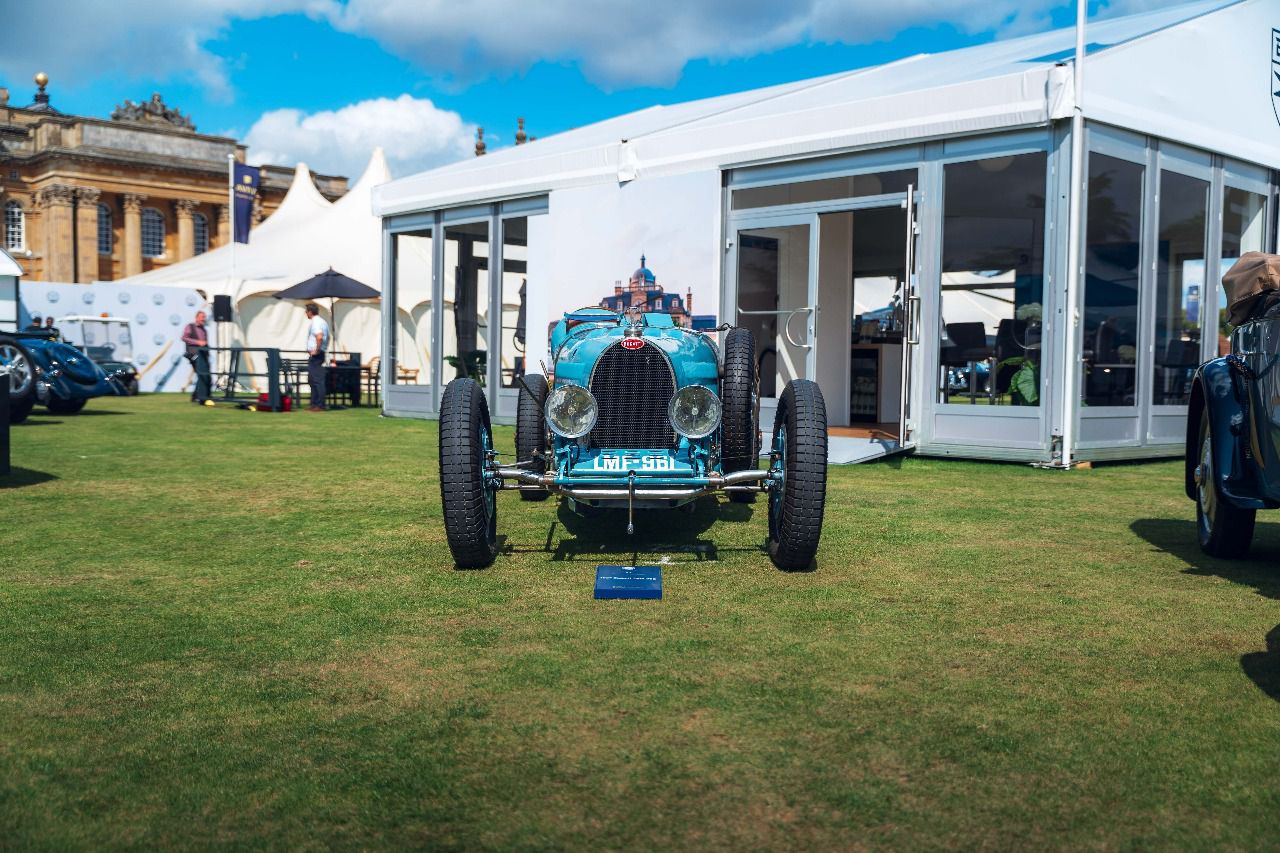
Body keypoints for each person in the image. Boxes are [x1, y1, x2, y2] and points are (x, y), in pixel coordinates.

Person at [181, 310, 213, 405]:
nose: (204, 318)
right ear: (197, 317)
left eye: (204, 317)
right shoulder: (190, 326)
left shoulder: (204, 330)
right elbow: (184, 338)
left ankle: (196, 396)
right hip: (193, 355)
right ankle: (201, 397)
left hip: (203, 355)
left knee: (203, 375)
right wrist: (198, 342)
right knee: (202, 374)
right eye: (202, 316)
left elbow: (205, 343)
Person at [303, 303, 330, 411]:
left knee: (317, 380)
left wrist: (317, 349)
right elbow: (328, 338)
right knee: (313, 379)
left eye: (306, 311)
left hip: (316, 355)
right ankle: (314, 403)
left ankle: (319, 404)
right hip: (319, 353)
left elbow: (319, 336)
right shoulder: (323, 322)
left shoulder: (316, 322)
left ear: (310, 312)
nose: (305, 313)